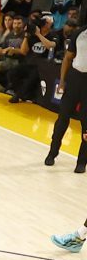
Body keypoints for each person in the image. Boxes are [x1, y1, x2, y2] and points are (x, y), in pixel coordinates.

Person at [44, 20, 86, 172]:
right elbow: (68, 57)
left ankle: (82, 162)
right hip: (75, 78)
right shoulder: (79, 33)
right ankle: (52, 152)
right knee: (62, 118)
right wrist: (62, 80)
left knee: (86, 124)